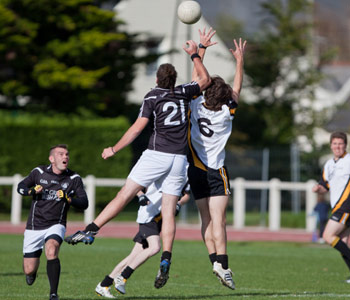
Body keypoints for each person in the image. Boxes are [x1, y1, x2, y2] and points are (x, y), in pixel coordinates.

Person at [65, 39, 212, 289]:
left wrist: (113, 148)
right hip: (179, 159)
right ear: (174, 80)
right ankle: (166, 256)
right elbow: (204, 80)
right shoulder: (183, 93)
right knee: (168, 211)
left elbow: (136, 129)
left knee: (125, 194)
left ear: (157, 79)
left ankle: (90, 229)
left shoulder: (152, 96)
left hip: (156, 154)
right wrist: (196, 55)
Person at [187, 30, 245, 290]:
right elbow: (238, 88)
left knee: (206, 221)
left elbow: (197, 79)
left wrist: (200, 51)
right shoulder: (226, 112)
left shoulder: (195, 104)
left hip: (195, 170)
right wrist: (240, 61)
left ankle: (214, 262)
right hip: (217, 172)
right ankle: (223, 264)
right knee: (219, 220)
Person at [17, 144, 89, 300]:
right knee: (28, 269)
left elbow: (84, 203)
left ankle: (53, 294)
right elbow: (20, 186)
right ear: (52, 158)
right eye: (61, 154)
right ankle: (32, 273)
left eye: (67, 154)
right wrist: (31, 191)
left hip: (56, 224)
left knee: (51, 249)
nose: (65, 157)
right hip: (34, 226)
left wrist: (68, 199)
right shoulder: (39, 172)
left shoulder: (74, 179)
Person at [94, 186, 190, 298]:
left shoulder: (183, 172)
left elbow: (187, 195)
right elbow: (136, 185)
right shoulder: (159, 169)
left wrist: (179, 203)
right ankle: (123, 276)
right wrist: (141, 195)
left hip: (160, 220)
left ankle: (103, 285)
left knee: (133, 257)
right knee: (155, 247)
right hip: (148, 216)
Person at [313, 132, 350, 283]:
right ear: (331, 145)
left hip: (348, 206)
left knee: (327, 236)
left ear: (345, 145)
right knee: (342, 244)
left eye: (340, 143)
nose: (337, 146)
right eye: (335, 144)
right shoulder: (328, 164)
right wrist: (318, 189)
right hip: (340, 208)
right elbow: (325, 186)